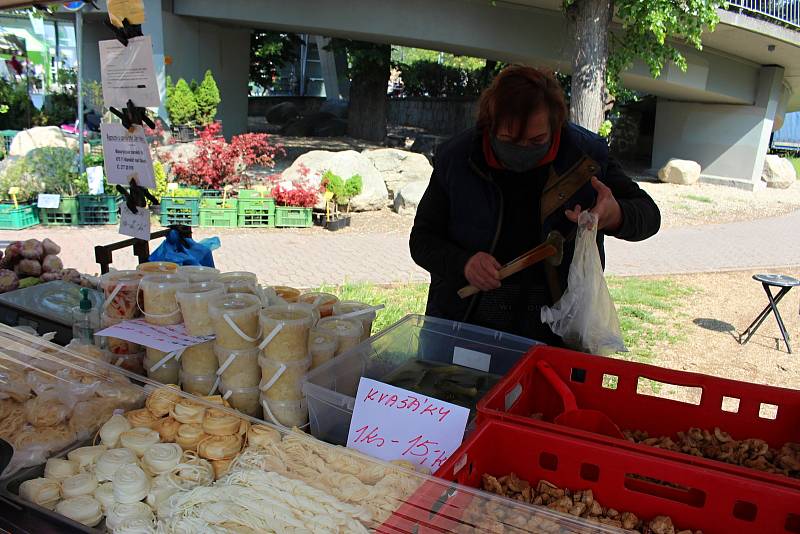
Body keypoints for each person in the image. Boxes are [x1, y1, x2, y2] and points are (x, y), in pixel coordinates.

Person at [409, 65, 661, 344]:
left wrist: (616, 215)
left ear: (556, 125)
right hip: (467, 326)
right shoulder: (458, 159)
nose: (521, 150)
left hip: (556, 330)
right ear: (489, 122)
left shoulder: (584, 157)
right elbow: (422, 240)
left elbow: (649, 215)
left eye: (536, 140)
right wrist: (464, 263)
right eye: (507, 140)